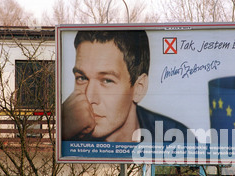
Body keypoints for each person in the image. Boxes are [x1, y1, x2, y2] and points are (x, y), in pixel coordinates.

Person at [61, 30, 192, 143]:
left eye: (107, 81)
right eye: (82, 78)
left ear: (139, 88)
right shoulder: (67, 135)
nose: (89, 97)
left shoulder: (178, 138)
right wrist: (63, 132)